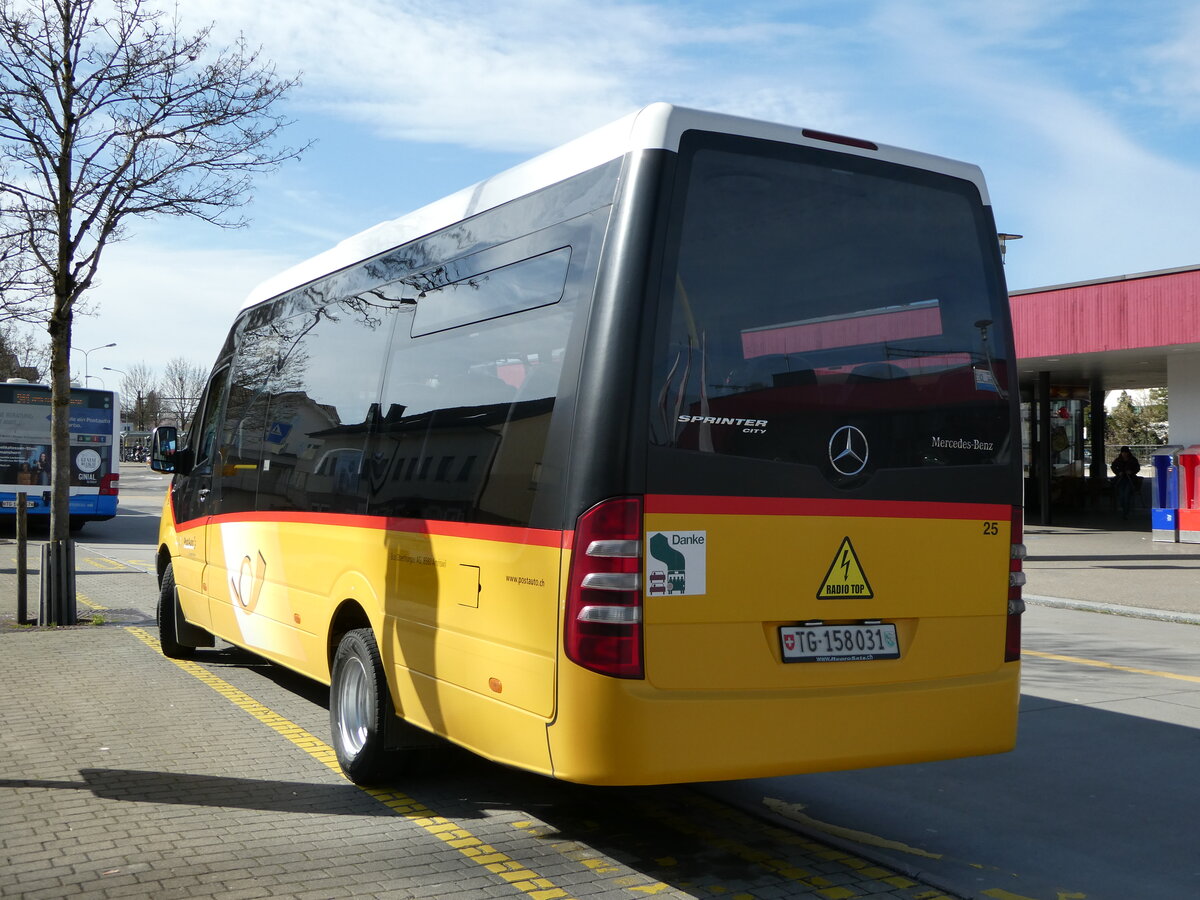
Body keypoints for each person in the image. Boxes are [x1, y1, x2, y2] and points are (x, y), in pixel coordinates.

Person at [1111, 446, 1141, 519]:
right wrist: (1118, 473)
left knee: (1126, 495)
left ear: (1128, 453)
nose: (1124, 454)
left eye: (1125, 453)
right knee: (1121, 495)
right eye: (1123, 453)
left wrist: (1131, 472)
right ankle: (1124, 509)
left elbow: (1137, 468)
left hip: (1130, 479)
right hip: (1121, 479)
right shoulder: (1118, 460)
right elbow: (1113, 467)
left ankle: (1126, 512)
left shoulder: (1133, 460)